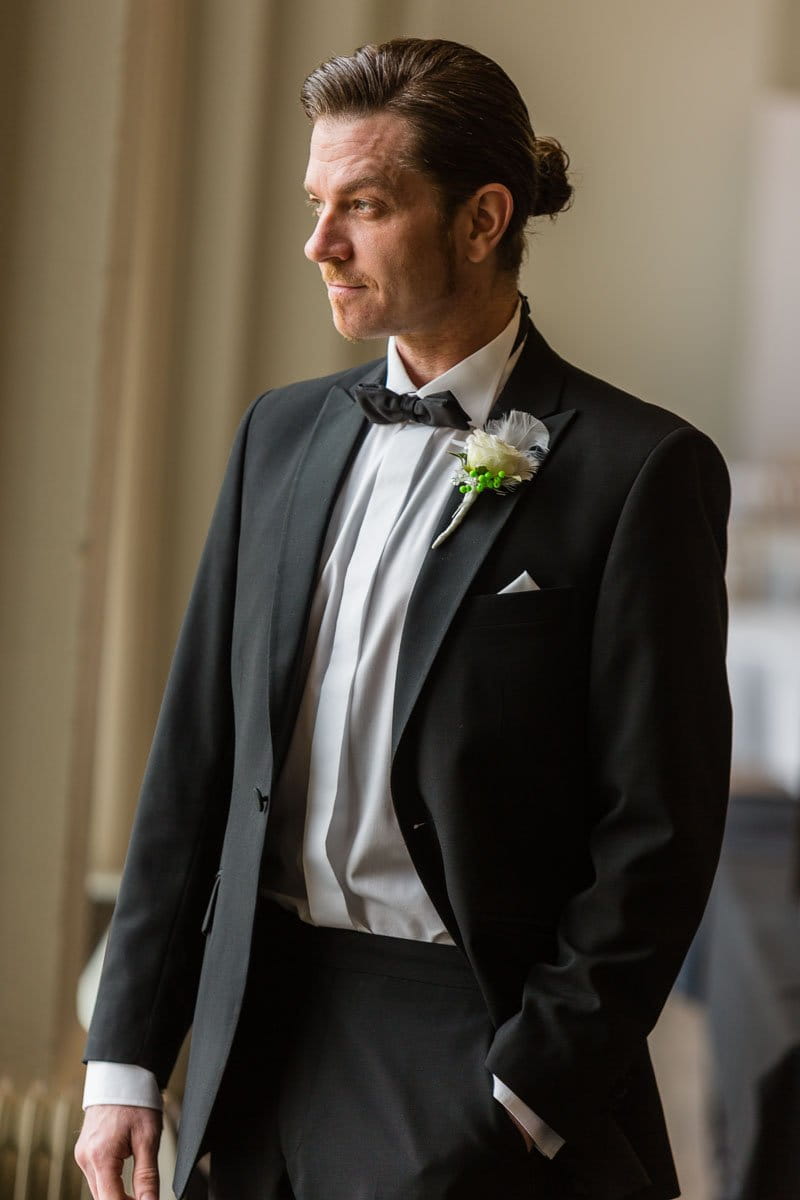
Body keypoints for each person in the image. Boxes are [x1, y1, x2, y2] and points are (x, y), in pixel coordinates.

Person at [75, 37, 731, 1200]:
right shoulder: (277, 434)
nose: (318, 243)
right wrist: (124, 1056)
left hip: (467, 1041)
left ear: (482, 221)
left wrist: (520, 1100)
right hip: (256, 1036)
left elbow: (659, 835)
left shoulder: (639, 471)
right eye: (315, 204)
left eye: (362, 206)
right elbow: (195, 761)